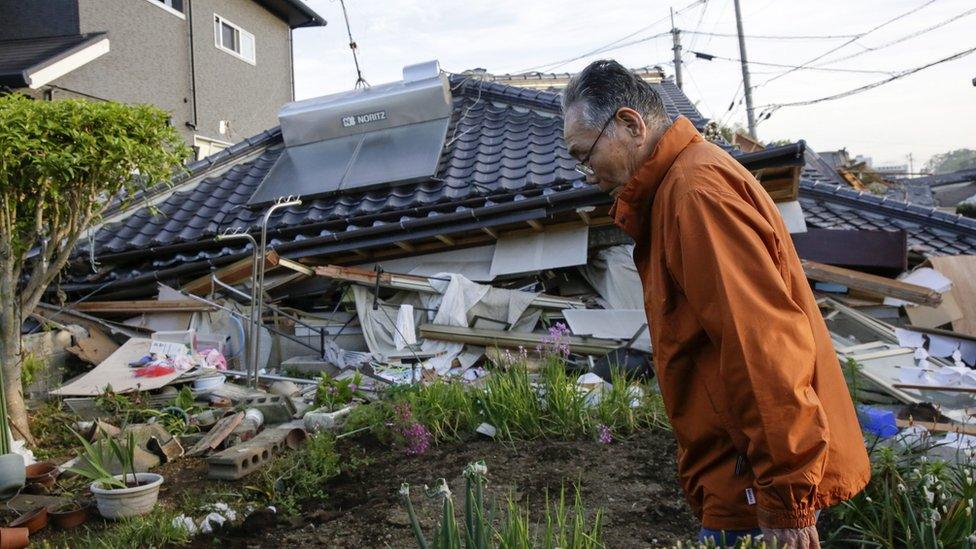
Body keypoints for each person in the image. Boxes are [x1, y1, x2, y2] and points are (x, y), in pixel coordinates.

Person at [561, 60, 870, 548]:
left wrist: (786, 501)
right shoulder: (681, 185)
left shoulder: (695, 193)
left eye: (586, 155)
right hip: (741, 476)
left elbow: (763, 350)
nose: (588, 174)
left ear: (629, 124)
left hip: (751, 486)